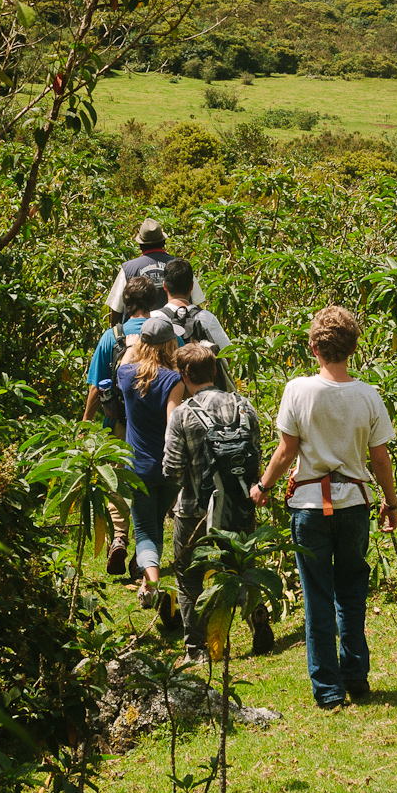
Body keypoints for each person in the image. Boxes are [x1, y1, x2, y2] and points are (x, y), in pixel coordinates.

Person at [252, 306, 397, 710]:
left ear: (314, 347)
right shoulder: (368, 394)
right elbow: (380, 458)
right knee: (352, 590)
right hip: (353, 505)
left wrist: (263, 486)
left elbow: (286, 451)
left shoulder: (298, 390)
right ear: (353, 347)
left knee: (317, 596)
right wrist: (391, 502)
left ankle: (328, 690)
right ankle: (356, 676)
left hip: (310, 507)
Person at [163, 342, 273, 662]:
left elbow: (171, 469)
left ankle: (198, 648)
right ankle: (255, 615)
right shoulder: (244, 405)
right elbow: (256, 452)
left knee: (189, 577)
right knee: (241, 567)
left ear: (184, 375)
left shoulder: (183, 414)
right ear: (214, 370)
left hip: (195, 510)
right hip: (239, 504)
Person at [83, 275, 163, 576]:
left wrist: (86, 422)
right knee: (151, 485)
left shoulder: (112, 336)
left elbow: (96, 386)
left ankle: (119, 536)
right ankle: (146, 553)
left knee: (116, 482)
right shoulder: (165, 333)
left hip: (119, 422)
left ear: (126, 306)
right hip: (158, 423)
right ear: (153, 302)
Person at [114, 315, 189, 615]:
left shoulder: (126, 376)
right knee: (156, 525)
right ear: (171, 343)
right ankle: (151, 581)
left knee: (145, 530)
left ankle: (152, 583)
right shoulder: (175, 380)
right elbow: (173, 423)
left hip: (138, 469)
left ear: (142, 344)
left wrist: (134, 345)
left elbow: (125, 362)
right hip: (168, 468)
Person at [102, 219, 206, 326]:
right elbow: (196, 303)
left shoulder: (128, 269)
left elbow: (116, 307)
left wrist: (115, 332)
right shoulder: (181, 267)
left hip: (137, 336)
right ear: (163, 242)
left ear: (140, 245)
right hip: (175, 334)